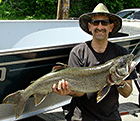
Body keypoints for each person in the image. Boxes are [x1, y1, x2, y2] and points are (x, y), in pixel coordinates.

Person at [52, 3, 137, 121]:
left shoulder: (121, 53)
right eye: (96, 22)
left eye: (104, 23)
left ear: (110, 27)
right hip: (81, 117)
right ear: (90, 26)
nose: (100, 26)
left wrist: (119, 81)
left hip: (111, 117)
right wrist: (68, 90)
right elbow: (80, 93)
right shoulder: (78, 52)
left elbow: (127, 93)